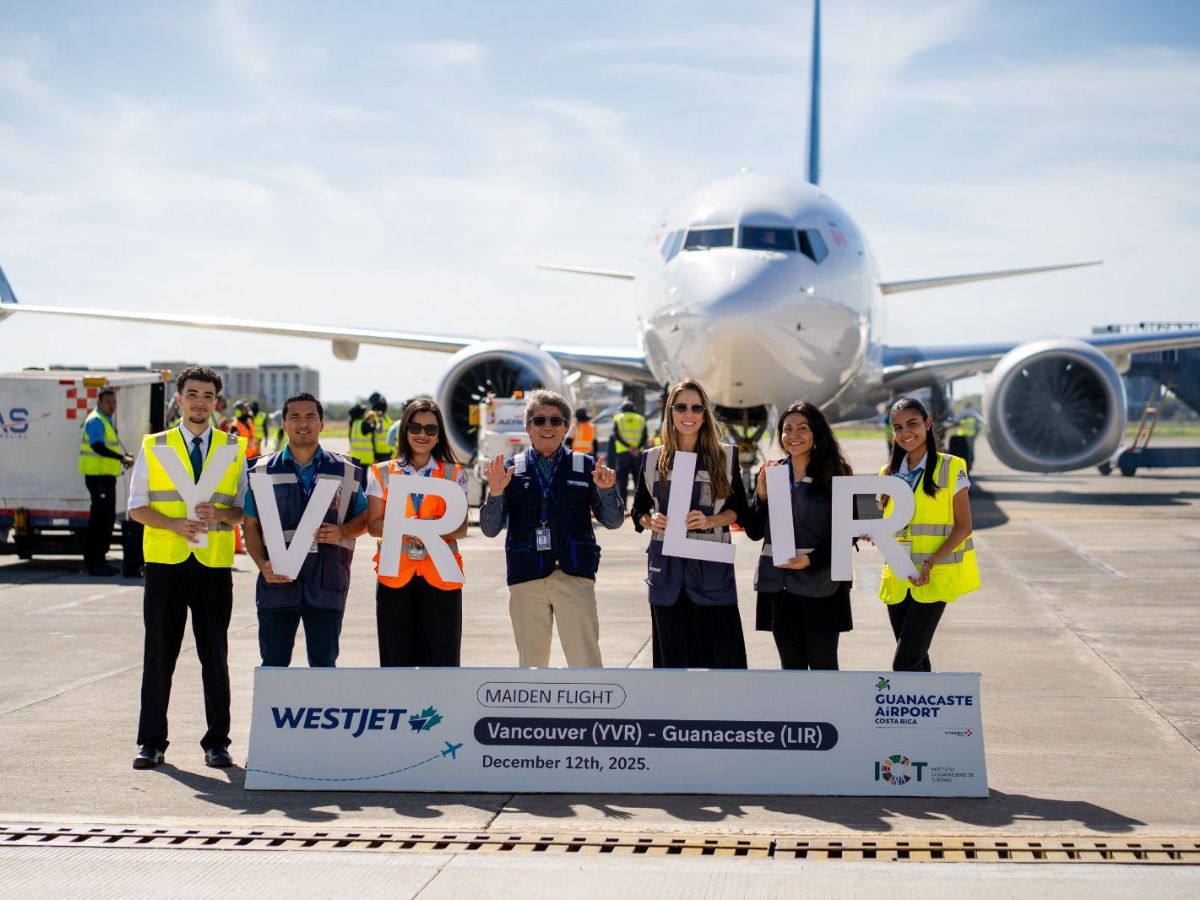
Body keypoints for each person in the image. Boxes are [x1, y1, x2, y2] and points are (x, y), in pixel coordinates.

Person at [127, 365, 248, 770]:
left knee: (215, 656)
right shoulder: (155, 446)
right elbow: (137, 507)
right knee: (158, 656)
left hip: (213, 564)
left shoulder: (233, 448)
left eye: (207, 395)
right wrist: (173, 524)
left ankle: (217, 742)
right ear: (179, 399)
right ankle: (151, 742)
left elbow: (242, 510)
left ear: (217, 402)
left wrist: (221, 513)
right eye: (192, 394)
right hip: (165, 562)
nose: (200, 402)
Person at [481, 390, 623, 667]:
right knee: (531, 666)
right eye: (539, 420)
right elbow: (489, 528)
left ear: (566, 428)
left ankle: (589, 700)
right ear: (528, 427)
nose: (547, 427)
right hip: (527, 577)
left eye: (555, 421)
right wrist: (495, 494)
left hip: (574, 575)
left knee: (586, 664)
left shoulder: (586, 467)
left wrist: (607, 491)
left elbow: (613, 521)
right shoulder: (510, 470)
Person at [242, 392, 367, 669]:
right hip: (277, 583)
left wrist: (343, 531)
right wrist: (262, 564)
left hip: (327, 582)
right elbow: (250, 525)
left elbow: (365, 517)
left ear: (322, 423)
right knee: (274, 665)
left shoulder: (345, 471)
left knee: (323, 666)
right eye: (295, 417)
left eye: (310, 416)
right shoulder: (261, 471)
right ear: (284, 423)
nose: (303, 423)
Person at [631, 380, 749, 669]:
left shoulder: (725, 456)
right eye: (681, 407)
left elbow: (739, 511)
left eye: (697, 408)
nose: (689, 414)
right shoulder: (652, 459)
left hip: (712, 574)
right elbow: (638, 511)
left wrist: (711, 520)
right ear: (670, 412)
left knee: (725, 665)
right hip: (668, 576)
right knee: (672, 669)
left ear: (705, 414)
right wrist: (650, 521)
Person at [743, 401, 853, 670]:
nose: (793, 435)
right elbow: (754, 531)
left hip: (822, 585)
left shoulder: (836, 473)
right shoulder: (774, 472)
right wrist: (761, 495)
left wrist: (811, 560)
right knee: (791, 666)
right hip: (780, 588)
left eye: (802, 428)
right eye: (787, 429)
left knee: (823, 664)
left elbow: (847, 534)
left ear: (816, 433)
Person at [879, 396, 981, 672]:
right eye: (898, 427)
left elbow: (964, 526)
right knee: (916, 662)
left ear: (927, 423)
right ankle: (930, 702)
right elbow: (886, 525)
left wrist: (930, 563)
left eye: (912, 424)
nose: (905, 433)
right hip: (898, 579)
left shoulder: (952, 467)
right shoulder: (887, 473)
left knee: (904, 663)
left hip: (933, 576)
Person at [367, 399, 469, 666]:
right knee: (395, 663)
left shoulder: (454, 474)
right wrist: (406, 528)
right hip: (395, 577)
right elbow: (373, 525)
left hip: (441, 576)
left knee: (443, 664)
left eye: (430, 429)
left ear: (439, 435)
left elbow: (461, 529)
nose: (422, 434)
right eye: (415, 427)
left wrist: (428, 529)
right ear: (405, 430)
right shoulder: (382, 472)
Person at [78, 387, 135, 576]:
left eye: (114, 402)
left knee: (106, 520)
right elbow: (97, 447)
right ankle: (94, 563)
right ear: (99, 403)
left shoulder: (105, 420)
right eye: (108, 402)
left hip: (106, 477)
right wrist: (121, 458)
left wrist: (122, 457)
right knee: (99, 521)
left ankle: (100, 561)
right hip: (98, 478)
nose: (112, 406)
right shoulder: (96, 420)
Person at [612, 399, 648, 509]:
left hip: (623, 453)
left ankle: (623, 507)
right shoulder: (641, 419)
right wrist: (637, 448)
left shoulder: (618, 418)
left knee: (622, 481)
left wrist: (628, 447)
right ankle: (639, 507)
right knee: (638, 481)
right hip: (637, 454)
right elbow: (645, 436)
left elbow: (616, 435)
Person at [365, 392, 395, 463]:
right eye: (382, 400)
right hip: (378, 453)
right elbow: (376, 432)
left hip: (388, 452)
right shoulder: (372, 416)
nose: (385, 402)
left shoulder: (386, 418)